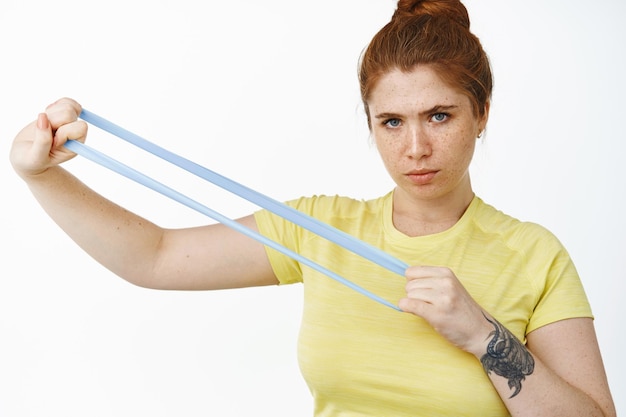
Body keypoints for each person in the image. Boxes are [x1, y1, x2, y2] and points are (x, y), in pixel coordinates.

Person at [9, 0, 616, 416]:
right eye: (391, 122)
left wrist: (484, 337)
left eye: (440, 115)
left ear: (480, 114)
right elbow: (156, 258)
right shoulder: (321, 229)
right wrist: (37, 176)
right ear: (370, 124)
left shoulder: (535, 255)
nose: (416, 148)